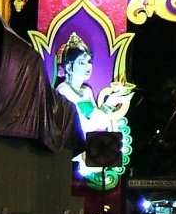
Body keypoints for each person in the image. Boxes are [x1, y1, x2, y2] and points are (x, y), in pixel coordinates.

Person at [52, 32, 134, 174]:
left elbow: (97, 122)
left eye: (89, 61)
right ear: (69, 66)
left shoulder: (85, 91)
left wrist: (111, 103)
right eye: (82, 62)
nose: (88, 66)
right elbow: (88, 124)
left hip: (90, 149)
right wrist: (109, 104)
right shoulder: (64, 91)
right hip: (70, 152)